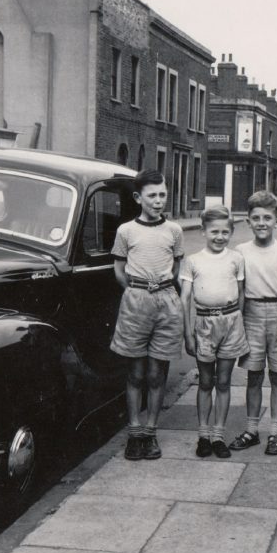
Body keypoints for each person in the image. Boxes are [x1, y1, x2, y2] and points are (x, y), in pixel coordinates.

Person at [110, 169, 184, 461]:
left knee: (156, 373)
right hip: (136, 301)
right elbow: (118, 269)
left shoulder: (174, 231)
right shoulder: (126, 231)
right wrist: (137, 292)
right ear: (138, 198)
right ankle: (134, 432)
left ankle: (151, 433)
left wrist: (162, 289)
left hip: (166, 300)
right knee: (136, 372)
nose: (158, 201)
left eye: (162, 194)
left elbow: (177, 267)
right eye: (152, 195)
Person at [229, 191, 277, 455]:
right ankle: (251, 430)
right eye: (256, 218)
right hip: (251, 315)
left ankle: (275, 432)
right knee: (253, 375)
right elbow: (237, 290)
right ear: (248, 221)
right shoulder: (240, 252)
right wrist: (237, 323)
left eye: (267, 218)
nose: (262, 222)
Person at [180, 206, 249, 458]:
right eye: (214, 232)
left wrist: (237, 319)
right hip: (204, 325)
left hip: (230, 323)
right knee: (206, 381)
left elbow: (241, 293)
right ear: (203, 231)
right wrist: (188, 333)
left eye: (225, 232)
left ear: (231, 232)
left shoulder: (236, 259)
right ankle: (203, 435)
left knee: (223, 381)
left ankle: (219, 435)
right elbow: (185, 298)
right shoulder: (193, 260)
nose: (219, 237)